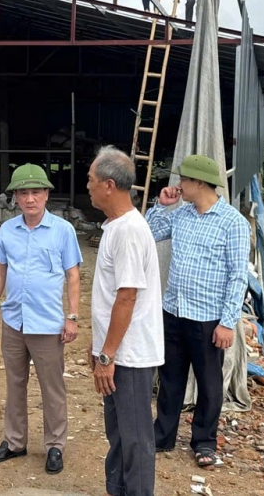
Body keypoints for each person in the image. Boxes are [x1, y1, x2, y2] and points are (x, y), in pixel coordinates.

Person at [145, 154, 250, 469]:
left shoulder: (232, 222)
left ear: (200, 183)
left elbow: (238, 276)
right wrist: (161, 205)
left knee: (209, 383)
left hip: (208, 319)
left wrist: (227, 322)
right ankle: (162, 436)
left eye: (184, 180)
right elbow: (148, 234)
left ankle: (204, 442)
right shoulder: (181, 214)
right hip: (174, 311)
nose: (179, 185)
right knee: (170, 379)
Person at [0, 164, 82, 475]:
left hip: (47, 323)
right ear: (15, 197)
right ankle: (15, 442)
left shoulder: (62, 231)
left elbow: (73, 274)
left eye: (36, 192)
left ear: (47, 195)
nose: (30, 199)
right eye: (23, 193)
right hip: (14, 320)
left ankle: (55, 446)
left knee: (52, 388)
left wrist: (72, 317)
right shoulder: (7, 230)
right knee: (15, 384)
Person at [86, 146, 164, 496]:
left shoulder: (129, 231)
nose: (87, 185)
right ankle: (118, 489)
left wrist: (108, 354)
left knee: (135, 438)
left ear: (108, 185)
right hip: (116, 351)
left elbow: (127, 296)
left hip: (128, 355)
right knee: (118, 432)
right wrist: (99, 347)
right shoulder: (116, 227)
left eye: (91, 179)